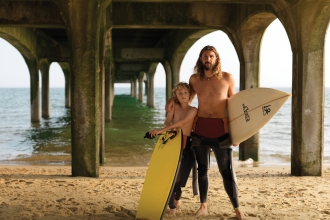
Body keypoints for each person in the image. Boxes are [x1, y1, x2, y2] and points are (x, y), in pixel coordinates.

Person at [166, 45, 244, 219]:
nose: (208, 59)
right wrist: (173, 99)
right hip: (200, 129)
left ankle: (237, 208)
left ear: (216, 59)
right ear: (200, 59)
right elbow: (186, 97)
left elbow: (235, 106)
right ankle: (203, 206)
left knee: (227, 170)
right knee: (202, 170)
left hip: (220, 130)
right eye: (204, 56)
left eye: (211, 56)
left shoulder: (227, 78)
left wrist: (237, 133)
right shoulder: (194, 79)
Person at [149, 82, 197, 217]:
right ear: (175, 95)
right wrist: (168, 130)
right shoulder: (174, 106)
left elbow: (182, 123)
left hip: (186, 144)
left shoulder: (193, 110)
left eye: (185, 93)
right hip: (173, 142)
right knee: (170, 177)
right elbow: (167, 121)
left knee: (180, 181)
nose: (183, 95)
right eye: (179, 93)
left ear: (189, 95)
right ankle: (172, 208)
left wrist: (162, 130)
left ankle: (177, 198)